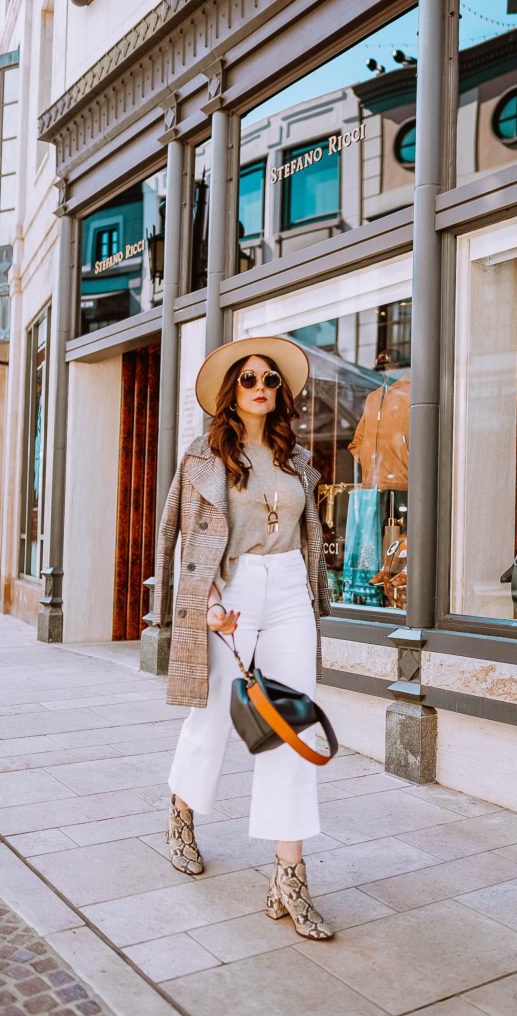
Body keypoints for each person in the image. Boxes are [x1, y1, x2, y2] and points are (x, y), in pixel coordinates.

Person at [152, 336, 334, 940]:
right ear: (231, 392)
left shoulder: (297, 460)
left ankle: (289, 876)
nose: (261, 387)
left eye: (270, 380)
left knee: (290, 725)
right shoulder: (202, 458)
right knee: (212, 719)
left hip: (288, 591)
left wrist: (310, 595)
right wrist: (203, 602)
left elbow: (309, 543)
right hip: (230, 590)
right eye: (249, 379)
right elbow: (178, 534)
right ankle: (180, 816)